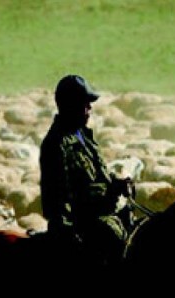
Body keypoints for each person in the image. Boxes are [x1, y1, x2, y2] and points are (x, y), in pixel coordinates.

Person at [39, 74, 134, 267]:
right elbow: (56, 198)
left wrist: (116, 184)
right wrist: (68, 234)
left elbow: (97, 176)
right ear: (69, 106)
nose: (89, 109)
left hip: (103, 215)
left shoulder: (84, 136)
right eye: (85, 104)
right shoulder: (57, 144)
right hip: (83, 226)